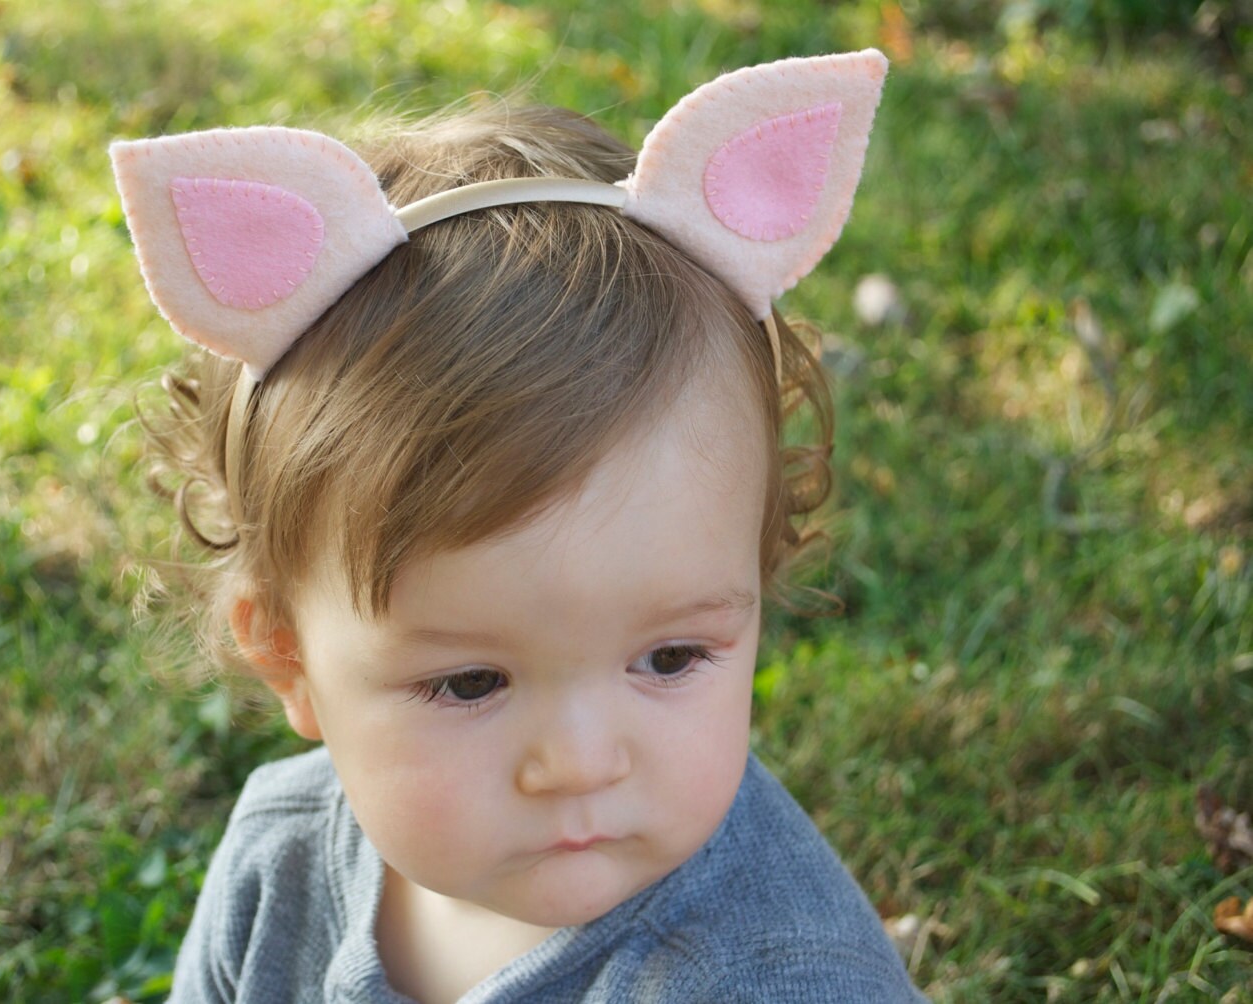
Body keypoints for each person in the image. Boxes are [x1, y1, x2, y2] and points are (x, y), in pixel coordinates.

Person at [112, 48, 925, 1003]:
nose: (580, 762)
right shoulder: (278, 867)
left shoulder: (777, 980)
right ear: (288, 656)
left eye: (669, 659)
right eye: (470, 682)